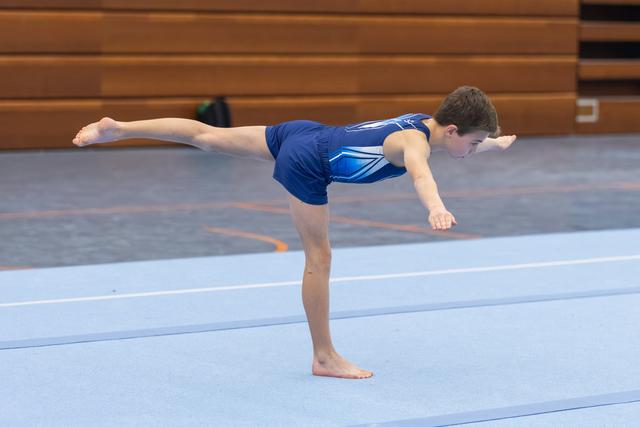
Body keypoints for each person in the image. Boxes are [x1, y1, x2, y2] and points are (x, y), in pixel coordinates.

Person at [73, 85, 517, 380]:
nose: (473, 151)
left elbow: (455, 142)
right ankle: (324, 356)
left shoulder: (427, 123)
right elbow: (421, 175)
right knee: (319, 259)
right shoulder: (415, 145)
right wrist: (436, 207)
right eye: (474, 144)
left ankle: (119, 129)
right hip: (309, 163)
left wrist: (496, 141)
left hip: (304, 132)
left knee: (207, 136)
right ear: (453, 130)